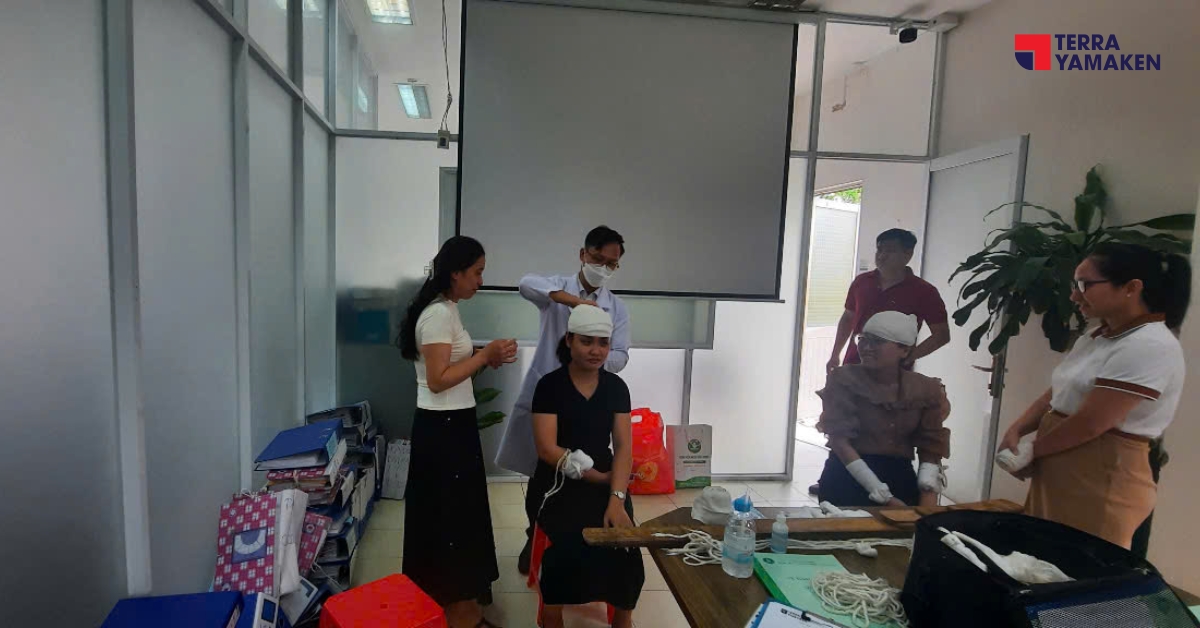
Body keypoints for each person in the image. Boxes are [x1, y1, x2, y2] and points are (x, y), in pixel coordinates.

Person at [998, 243, 1189, 549]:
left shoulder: (1149, 345)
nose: (1074, 296)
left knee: (1082, 562)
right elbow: (1060, 391)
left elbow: (1092, 422)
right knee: (1045, 553)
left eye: (1084, 285)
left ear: (1131, 288)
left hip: (1102, 471)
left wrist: (1034, 451)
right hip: (1063, 458)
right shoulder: (1097, 336)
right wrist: (1018, 428)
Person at [493, 226, 631, 574]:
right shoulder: (557, 290)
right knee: (543, 472)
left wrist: (588, 362)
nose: (603, 268)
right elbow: (526, 283)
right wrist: (575, 303)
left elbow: (620, 355)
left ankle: (581, 540)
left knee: (586, 468)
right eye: (598, 259)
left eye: (611, 264)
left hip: (589, 394)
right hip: (548, 396)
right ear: (583, 254)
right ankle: (534, 535)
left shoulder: (617, 308)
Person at [397, 236, 518, 628]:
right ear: (456, 273)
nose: (481, 281)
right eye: (477, 272)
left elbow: (451, 365)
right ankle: (456, 608)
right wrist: (484, 357)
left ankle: (462, 599)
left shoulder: (447, 309)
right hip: (443, 427)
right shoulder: (437, 314)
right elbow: (437, 379)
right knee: (450, 518)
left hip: (453, 422)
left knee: (459, 515)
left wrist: (484, 356)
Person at [530, 305, 643, 628]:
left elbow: (623, 447)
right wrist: (597, 477)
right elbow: (547, 449)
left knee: (626, 550)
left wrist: (616, 498)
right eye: (586, 341)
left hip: (608, 479)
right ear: (569, 340)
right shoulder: (549, 386)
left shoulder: (616, 387)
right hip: (557, 481)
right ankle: (551, 616)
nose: (596, 350)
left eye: (603, 343)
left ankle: (623, 620)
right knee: (567, 548)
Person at [816, 311, 951, 508]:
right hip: (847, 475)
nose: (866, 347)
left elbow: (930, 447)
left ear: (904, 350)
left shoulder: (926, 388)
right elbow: (840, 442)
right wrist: (882, 495)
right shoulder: (843, 379)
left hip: (899, 477)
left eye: (877, 341)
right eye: (863, 339)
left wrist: (927, 495)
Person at [826, 229, 951, 373]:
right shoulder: (861, 282)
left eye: (890, 251)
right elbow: (848, 318)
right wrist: (835, 355)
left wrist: (909, 358)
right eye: (879, 250)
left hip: (892, 375)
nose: (882, 256)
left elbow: (941, 335)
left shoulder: (924, 291)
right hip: (853, 366)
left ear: (908, 254)